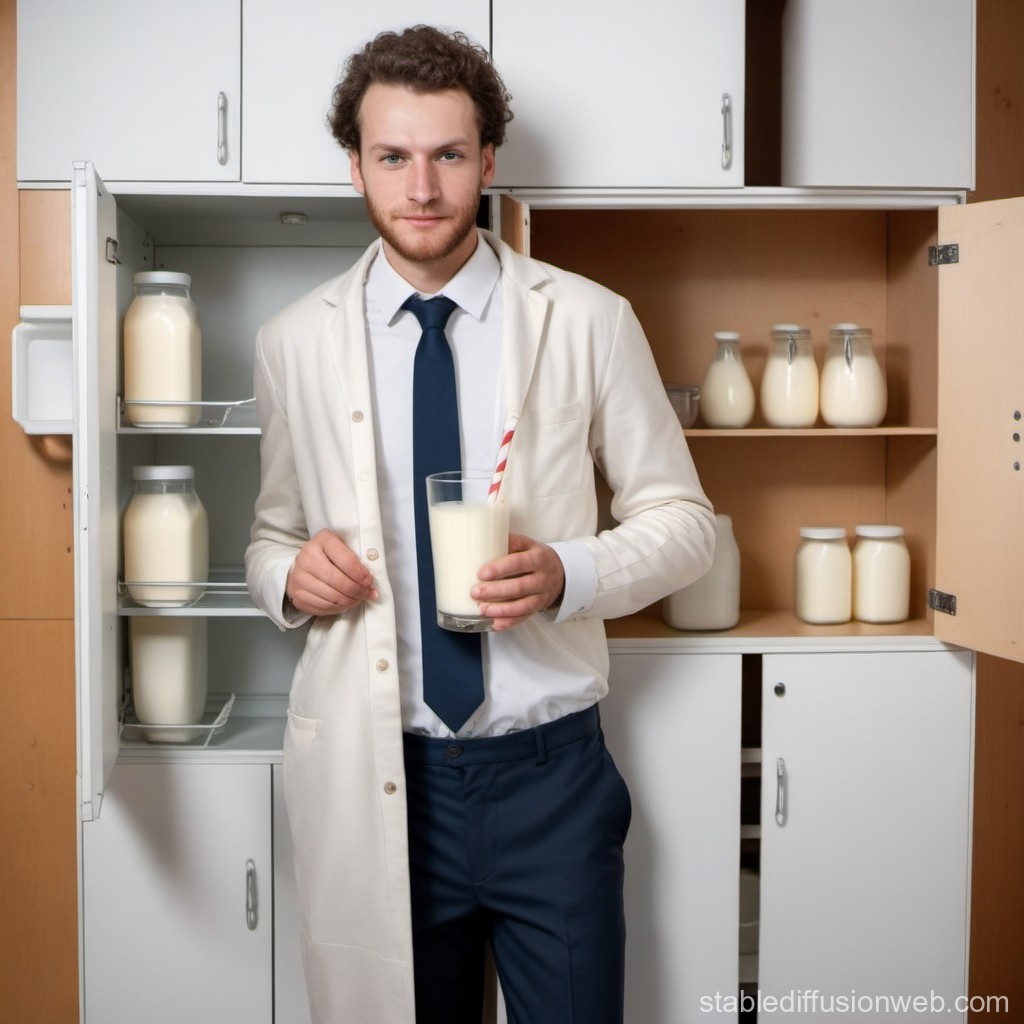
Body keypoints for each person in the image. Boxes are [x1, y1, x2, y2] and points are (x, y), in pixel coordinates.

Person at [245, 24, 714, 1024]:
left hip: (552, 775)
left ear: (488, 159)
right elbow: (269, 531)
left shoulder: (588, 319)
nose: (421, 187)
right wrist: (289, 575)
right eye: (393, 157)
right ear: (356, 166)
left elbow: (685, 524)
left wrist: (566, 571)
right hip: (379, 780)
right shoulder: (292, 343)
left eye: (449, 155)